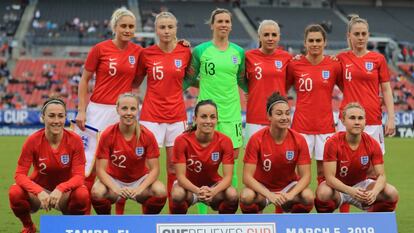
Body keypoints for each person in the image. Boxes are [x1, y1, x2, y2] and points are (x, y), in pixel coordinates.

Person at [74, 7, 143, 214]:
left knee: (119, 163)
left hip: (122, 113)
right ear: (114, 27)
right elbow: (84, 80)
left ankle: (119, 217)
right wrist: (81, 110)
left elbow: (139, 79)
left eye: (131, 26)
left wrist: (181, 43)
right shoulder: (100, 49)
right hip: (97, 111)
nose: (127, 30)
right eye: (123, 26)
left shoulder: (138, 52)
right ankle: (85, 216)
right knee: (90, 166)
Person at [136, 12, 191, 213]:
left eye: (170, 27)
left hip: (177, 117)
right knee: (147, 170)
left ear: (176, 29)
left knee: (174, 168)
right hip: (151, 117)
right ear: (156, 30)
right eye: (162, 27)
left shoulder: (185, 52)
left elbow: (192, 78)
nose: (166, 31)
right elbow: (135, 81)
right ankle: (146, 219)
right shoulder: (146, 54)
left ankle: (172, 217)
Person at [187, 8, 247, 190]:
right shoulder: (200, 51)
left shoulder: (239, 52)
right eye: (219, 21)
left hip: (231, 113)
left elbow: (242, 80)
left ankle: (230, 209)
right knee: (202, 162)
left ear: (231, 26)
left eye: (227, 21)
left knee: (232, 161)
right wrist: (204, 83)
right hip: (206, 115)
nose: (223, 24)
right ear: (212, 25)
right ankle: (203, 216)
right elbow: (189, 78)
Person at [9, 98, 89, 233]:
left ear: (65, 118)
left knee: (82, 195)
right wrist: (38, 191)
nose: (56, 121)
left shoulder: (75, 140)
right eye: (51, 116)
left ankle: (70, 227)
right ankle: (29, 227)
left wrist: (61, 188)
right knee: (15, 192)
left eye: (60, 116)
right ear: (42, 117)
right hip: (39, 192)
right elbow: (19, 175)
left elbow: (79, 176)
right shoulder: (32, 140)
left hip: (64, 193)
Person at [90, 93, 167, 214]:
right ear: (117, 109)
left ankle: (147, 222)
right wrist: (116, 188)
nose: (129, 113)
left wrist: (139, 189)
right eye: (124, 108)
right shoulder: (107, 134)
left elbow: (155, 169)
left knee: (160, 191)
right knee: (96, 192)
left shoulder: (147, 135)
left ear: (137, 110)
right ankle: (106, 223)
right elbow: (100, 170)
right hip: (113, 180)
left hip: (140, 180)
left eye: (133, 109)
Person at [315, 102, 399, 212]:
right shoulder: (332, 143)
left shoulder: (372, 143)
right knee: (323, 193)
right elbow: (330, 179)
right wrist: (350, 191)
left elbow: (381, 176)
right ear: (343, 121)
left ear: (365, 121)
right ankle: (327, 226)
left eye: (360, 118)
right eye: (352, 118)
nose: (357, 122)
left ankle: (374, 222)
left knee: (391, 192)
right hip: (337, 188)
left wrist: (374, 192)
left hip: (361, 186)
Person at [240, 92, 314, 214]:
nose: (284, 117)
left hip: (288, 187)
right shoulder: (256, 139)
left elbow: (306, 176)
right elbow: (247, 177)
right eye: (279, 114)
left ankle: (291, 225)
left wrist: (291, 195)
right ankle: (256, 226)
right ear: (269, 116)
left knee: (308, 196)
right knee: (246, 196)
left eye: (287, 113)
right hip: (262, 187)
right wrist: (269, 195)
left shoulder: (299, 140)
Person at [286, 24, 342, 183]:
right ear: (305, 43)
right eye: (311, 40)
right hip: (300, 127)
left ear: (325, 42)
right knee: (298, 175)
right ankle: (295, 207)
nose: (315, 43)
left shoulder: (334, 65)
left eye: (318, 40)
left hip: (325, 127)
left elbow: (348, 88)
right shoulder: (294, 64)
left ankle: (324, 207)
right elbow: (282, 89)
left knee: (324, 175)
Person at [337, 15, 395, 153]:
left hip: (372, 118)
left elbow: (386, 90)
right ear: (349, 35)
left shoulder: (378, 59)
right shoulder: (340, 59)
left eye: (364, 34)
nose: (361, 37)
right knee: (345, 166)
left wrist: (391, 118)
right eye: (356, 34)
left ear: (368, 35)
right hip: (347, 120)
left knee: (374, 168)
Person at [170, 100, 238, 214]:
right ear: (195, 118)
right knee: (177, 194)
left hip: (213, 187)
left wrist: (213, 191)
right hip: (188, 187)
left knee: (232, 194)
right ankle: (179, 225)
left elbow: (228, 178)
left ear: (217, 119)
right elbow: (180, 177)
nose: (208, 121)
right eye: (203, 117)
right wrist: (197, 191)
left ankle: (223, 226)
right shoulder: (181, 140)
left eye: (212, 117)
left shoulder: (225, 141)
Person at [245, 19, 292, 141]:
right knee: (253, 158)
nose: (270, 38)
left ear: (279, 37)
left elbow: (289, 82)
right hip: (255, 116)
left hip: (279, 117)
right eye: (266, 35)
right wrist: (248, 90)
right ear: (259, 37)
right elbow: (240, 78)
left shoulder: (287, 58)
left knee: (279, 157)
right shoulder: (248, 57)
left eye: (274, 35)